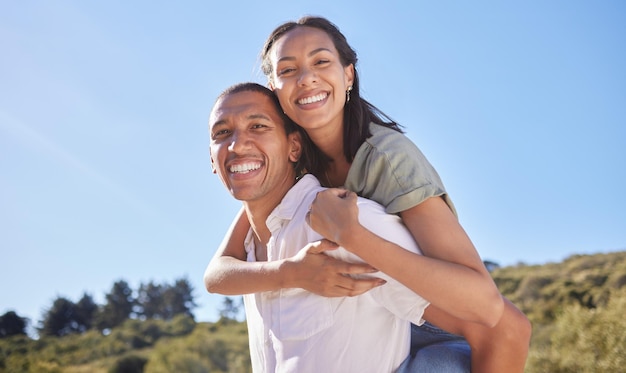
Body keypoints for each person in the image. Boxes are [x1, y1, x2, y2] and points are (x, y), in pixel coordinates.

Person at [207, 16, 532, 372]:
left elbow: (496, 317)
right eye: (288, 70)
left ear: (348, 75)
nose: (306, 78)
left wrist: (353, 236)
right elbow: (217, 272)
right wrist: (292, 273)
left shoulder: (387, 160)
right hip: (383, 310)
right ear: (274, 87)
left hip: (433, 314)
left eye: (320, 61)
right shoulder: (289, 168)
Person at [208, 82, 433, 372]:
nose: (236, 145)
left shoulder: (354, 224)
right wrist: (289, 273)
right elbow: (213, 278)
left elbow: (479, 324)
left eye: (258, 126)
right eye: (222, 133)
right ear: (212, 160)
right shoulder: (250, 248)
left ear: (294, 147)